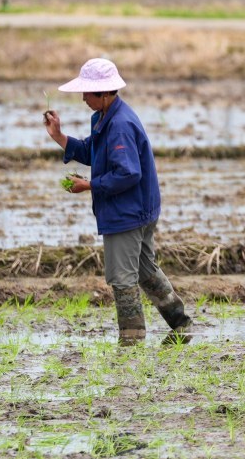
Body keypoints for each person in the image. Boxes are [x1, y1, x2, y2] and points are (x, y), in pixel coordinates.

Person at [43, 56, 191, 344]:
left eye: (87, 93)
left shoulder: (120, 125)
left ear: (104, 93)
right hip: (140, 209)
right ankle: (182, 324)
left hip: (126, 213)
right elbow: (93, 152)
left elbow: (128, 173)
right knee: (146, 270)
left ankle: (131, 343)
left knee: (122, 279)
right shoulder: (105, 117)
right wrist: (60, 137)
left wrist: (89, 185)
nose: (83, 98)